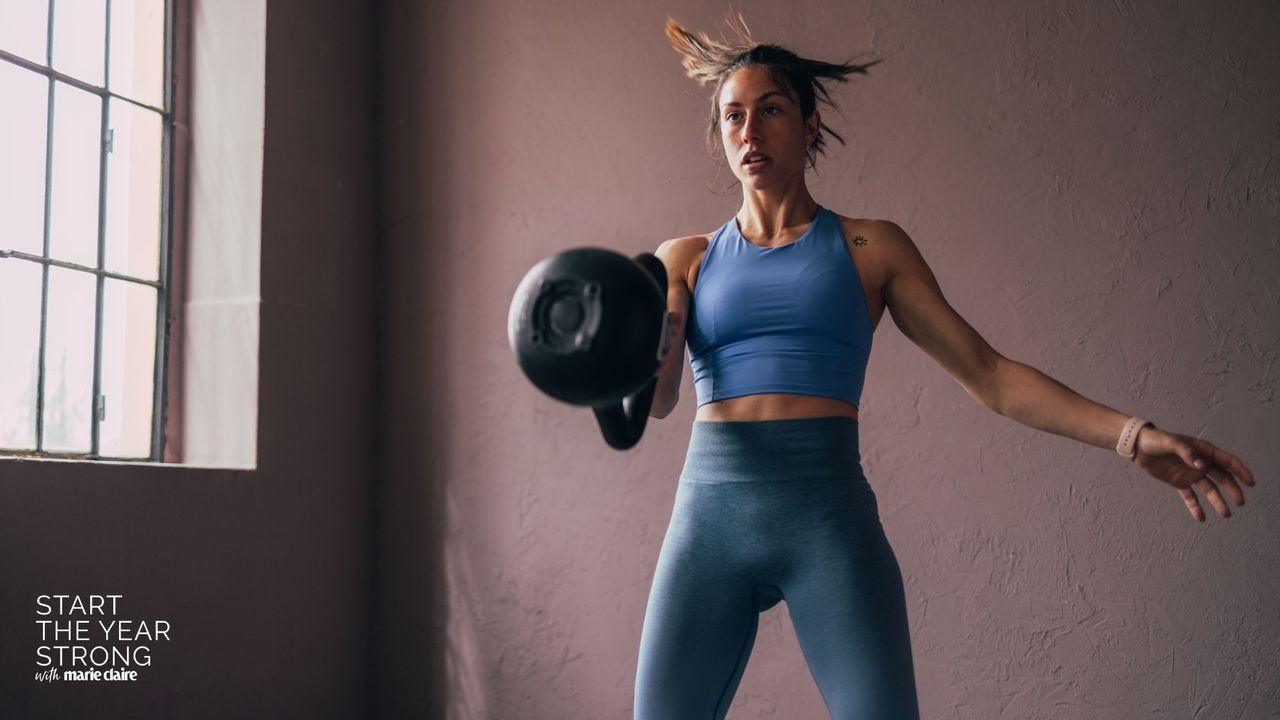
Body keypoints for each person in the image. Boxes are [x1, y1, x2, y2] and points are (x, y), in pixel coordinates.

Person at [634, 14, 1258, 720]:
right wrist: (658, 338)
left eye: (771, 110)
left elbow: (990, 374)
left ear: (809, 125)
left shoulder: (872, 247)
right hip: (709, 522)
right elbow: (655, 403)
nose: (750, 132)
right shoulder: (683, 258)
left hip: (827, 525)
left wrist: (1132, 437)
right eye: (733, 116)